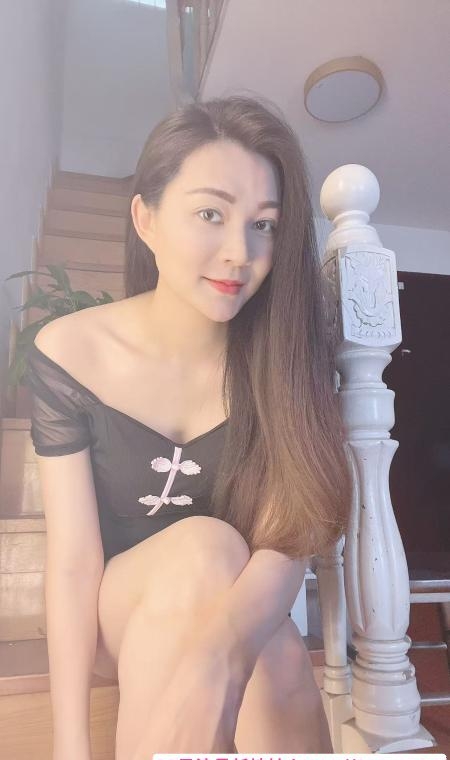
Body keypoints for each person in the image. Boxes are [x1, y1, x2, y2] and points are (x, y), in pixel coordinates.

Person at [25, 95, 352, 759]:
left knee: (266, 638)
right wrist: (70, 740)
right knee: (205, 546)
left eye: (264, 225)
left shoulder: (280, 356)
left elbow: (286, 540)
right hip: (115, 609)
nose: (240, 252)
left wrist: (220, 661)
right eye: (211, 214)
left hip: (230, 594)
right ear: (145, 219)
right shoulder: (71, 351)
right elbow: (74, 560)